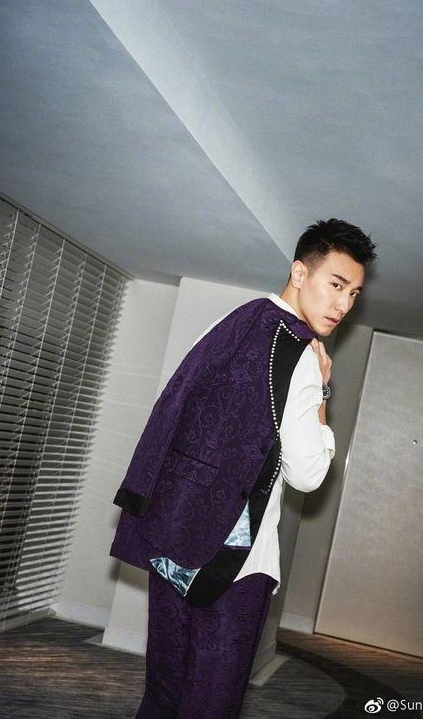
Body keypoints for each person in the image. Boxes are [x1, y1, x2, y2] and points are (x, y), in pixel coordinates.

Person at [110, 218, 377, 717]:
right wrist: (323, 392)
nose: (343, 305)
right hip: (236, 564)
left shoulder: (232, 322)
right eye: (336, 285)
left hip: (173, 536)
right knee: (212, 703)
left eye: (354, 294)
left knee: (164, 692)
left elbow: (174, 410)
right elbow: (308, 475)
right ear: (300, 273)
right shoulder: (301, 355)